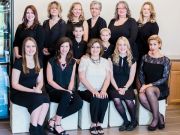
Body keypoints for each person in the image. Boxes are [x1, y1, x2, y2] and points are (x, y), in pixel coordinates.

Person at [11, 37, 49, 135]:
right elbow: (14, 84)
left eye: (33, 46)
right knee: (37, 99)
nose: (31, 49)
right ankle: (33, 128)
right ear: (24, 48)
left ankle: (39, 126)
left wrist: (38, 88)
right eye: (28, 46)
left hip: (33, 91)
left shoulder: (38, 61)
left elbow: (40, 81)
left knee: (46, 98)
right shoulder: (19, 62)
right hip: (19, 93)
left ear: (36, 48)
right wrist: (33, 91)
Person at [46, 37, 83, 135]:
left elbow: (72, 80)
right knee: (66, 95)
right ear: (58, 47)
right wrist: (64, 90)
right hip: (53, 90)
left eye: (67, 46)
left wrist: (69, 90)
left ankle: (53, 120)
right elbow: (50, 81)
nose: (64, 48)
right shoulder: (51, 61)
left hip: (67, 89)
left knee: (79, 103)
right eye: (62, 46)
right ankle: (58, 124)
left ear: (69, 47)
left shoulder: (73, 62)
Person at [78, 38, 110, 135]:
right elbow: (82, 78)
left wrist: (103, 90)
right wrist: (94, 91)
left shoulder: (105, 61)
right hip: (85, 89)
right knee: (95, 98)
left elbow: (108, 78)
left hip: (100, 89)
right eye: (93, 47)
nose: (95, 49)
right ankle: (93, 124)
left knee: (105, 98)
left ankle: (99, 124)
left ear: (101, 49)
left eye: (97, 47)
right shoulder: (84, 60)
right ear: (89, 48)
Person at [138, 35, 170, 131]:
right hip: (147, 87)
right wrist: (143, 84)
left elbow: (164, 78)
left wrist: (147, 85)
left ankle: (155, 119)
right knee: (141, 96)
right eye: (150, 44)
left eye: (155, 44)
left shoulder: (165, 60)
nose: (152, 47)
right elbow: (141, 73)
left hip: (160, 88)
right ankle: (160, 116)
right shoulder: (145, 57)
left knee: (149, 90)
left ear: (159, 45)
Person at [108, 36, 137, 131]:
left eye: (124, 45)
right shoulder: (111, 58)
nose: (122, 47)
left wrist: (125, 88)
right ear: (117, 46)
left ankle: (133, 121)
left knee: (129, 101)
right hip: (114, 85)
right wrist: (117, 88)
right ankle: (126, 121)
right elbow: (111, 76)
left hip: (127, 86)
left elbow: (131, 77)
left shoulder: (132, 60)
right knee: (116, 99)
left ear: (127, 46)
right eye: (120, 45)